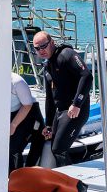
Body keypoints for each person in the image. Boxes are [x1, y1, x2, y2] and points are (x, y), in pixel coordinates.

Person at [33, 31, 92, 167]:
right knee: (53, 146)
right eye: (37, 48)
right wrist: (48, 124)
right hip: (60, 111)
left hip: (76, 110)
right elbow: (50, 98)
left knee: (59, 149)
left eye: (43, 46)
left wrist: (77, 103)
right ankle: (64, 176)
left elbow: (86, 76)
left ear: (52, 43)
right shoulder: (48, 66)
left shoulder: (66, 54)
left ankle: (72, 181)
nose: (41, 51)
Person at [9, 71, 45, 171]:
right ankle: (12, 174)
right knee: (11, 147)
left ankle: (26, 173)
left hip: (28, 110)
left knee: (15, 147)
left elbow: (27, 105)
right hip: (10, 112)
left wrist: (13, 125)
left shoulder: (17, 82)